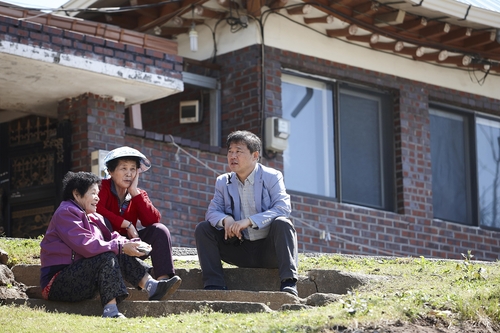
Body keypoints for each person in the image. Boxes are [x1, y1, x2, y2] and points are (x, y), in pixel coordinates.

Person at [40, 171, 181, 319]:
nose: (97, 198)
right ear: (76, 194)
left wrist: (131, 244)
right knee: (108, 254)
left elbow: (112, 237)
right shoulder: (66, 212)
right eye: (93, 193)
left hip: (84, 276)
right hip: (57, 282)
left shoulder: (95, 217)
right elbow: (86, 245)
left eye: (98, 193)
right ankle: (110, 310)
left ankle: (152, 286)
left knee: (116, 249)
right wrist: (120, 246)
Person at [195, 130, 299, 296]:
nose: (233, 156)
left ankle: (289, 283)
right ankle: (214, 285)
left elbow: (283, 208)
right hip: (239, 248)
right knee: (203, 229)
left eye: (239, 151)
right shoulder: (223, 181)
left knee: (283, 223)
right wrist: (226, 220)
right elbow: (212, 211)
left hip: (268, 249)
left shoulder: (272, 176)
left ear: (255, 155)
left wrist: (249, 221)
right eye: (230, 151)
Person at [97, 146, 178, 283]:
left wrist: (134, 192)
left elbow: (153, 220)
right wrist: (126, 224)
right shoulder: (101, 187)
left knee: (160, 230)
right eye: (124, 168)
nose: (129, 174)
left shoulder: (138, 193)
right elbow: (97, 210)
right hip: (108, 246)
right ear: (110, 171)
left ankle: (164, 280)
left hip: (132, 246)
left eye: (133, 169)